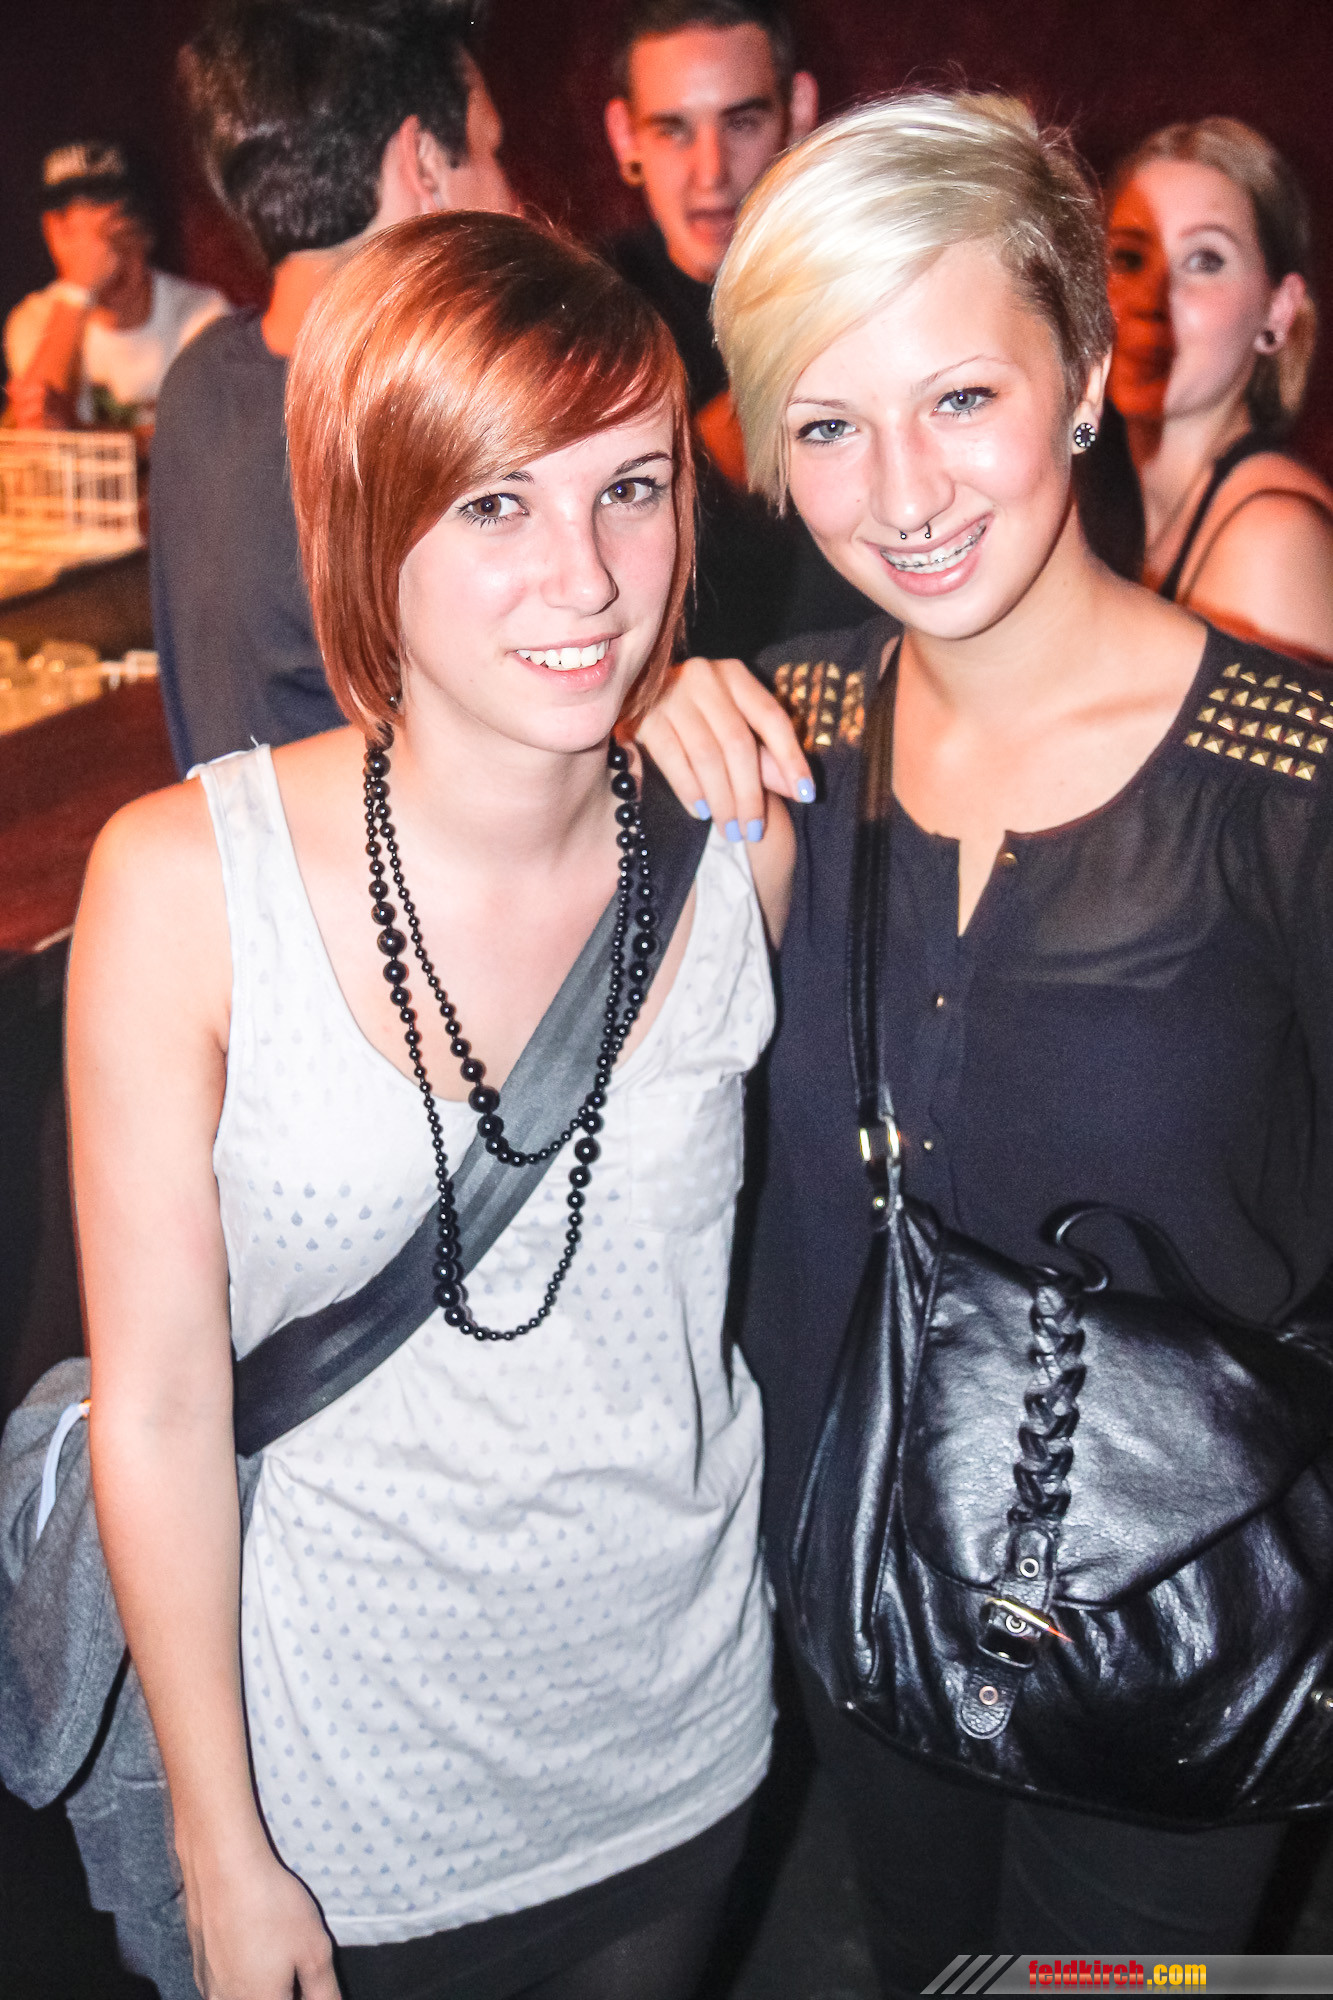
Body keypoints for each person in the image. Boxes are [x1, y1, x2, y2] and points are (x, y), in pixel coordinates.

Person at [639, 90, 1333, 1992]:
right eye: (827, 426)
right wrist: (630, 727)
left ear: (1085, 373)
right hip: (858, 1598)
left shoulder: (1290, 783)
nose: (904, 492)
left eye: (959, 397)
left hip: (1184, 1648)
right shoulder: (764, 743)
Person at [68, 209, 793, 2000]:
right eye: (494, 504)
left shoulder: (736, 849)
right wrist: (220, 1844)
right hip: (344, 1810)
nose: (587, 577)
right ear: (364, 520)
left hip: (678, 1746)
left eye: (632, 489)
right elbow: (156, 1407)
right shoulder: (183, 887)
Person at [151, 0, 514, 776]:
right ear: (423, 163)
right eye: (490, 152)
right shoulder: (408, 424)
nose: (512, 199)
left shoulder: (197, 380)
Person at [604, 0, 873, 658]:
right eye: (672, 130)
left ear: (799, 112)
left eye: (742, 122)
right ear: (625, 137)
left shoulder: (874, 285)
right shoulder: (582, 312)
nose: (711, 172)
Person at [1105, 117, 1333, 659]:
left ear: (1277, 309)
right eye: (1130, 258)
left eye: (1205, 261)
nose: (1151, 300)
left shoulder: (1270, 539)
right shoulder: (1112, 504)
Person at [4, 142, 228, 437]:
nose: (107, 259)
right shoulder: (34, 321)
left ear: (147, 233)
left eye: (118, 235)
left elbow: (200, 442)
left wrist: (76, 432)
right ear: (53, 236)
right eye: (85, 242)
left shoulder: (202, 314)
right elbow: (38, 429)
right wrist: (77, 292)